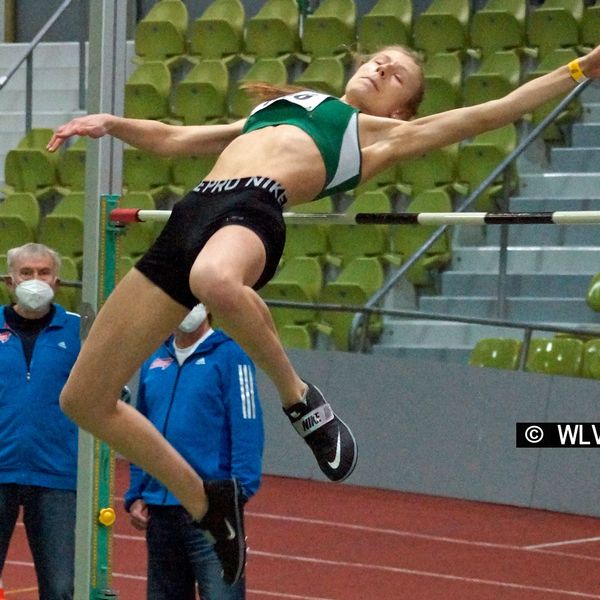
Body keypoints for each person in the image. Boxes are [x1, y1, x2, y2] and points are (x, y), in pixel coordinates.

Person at [47, 44, 600, 584]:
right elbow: (175, 139)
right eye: (379, 59)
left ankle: (301, 400)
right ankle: (208, 503)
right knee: (84, 400)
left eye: (398, 74)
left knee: (214, 280)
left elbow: (492, 112)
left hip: (251, 211)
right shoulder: (278, 110)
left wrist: (580, 68)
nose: (381, 66)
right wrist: (111, 123)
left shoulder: (379, 136)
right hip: (190, 214)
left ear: (401, 109)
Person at [124, 303, 262, 598]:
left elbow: (247, 426)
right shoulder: (154, 359)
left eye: (196, 299)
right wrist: (137, 493)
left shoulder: (231, 357)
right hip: (160, 511)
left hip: (212, 507)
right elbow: (139, 431)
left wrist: (238, 494)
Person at [0, 243, 80, 600]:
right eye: (27, 273)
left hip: (57, 476)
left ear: (57, 281)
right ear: (9, 281)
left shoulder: (80, 331)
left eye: (44, 273)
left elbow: (113, 395)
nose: (36, 280)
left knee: (60, 588)